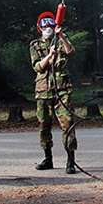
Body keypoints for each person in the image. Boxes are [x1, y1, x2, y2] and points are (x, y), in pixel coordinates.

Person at [30, 11, 78, 174]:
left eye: (50, 22)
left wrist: (62, 36)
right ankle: (48, 158)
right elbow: (37, 66)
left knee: (68, 124)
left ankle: (70, 161)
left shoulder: (59, 41)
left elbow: (70, 51)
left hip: (62, 91)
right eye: (44, 24)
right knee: (44, 126)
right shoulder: (35, 45)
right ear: (39, 28)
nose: (47, 26)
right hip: (43, 91)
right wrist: (49, 56)